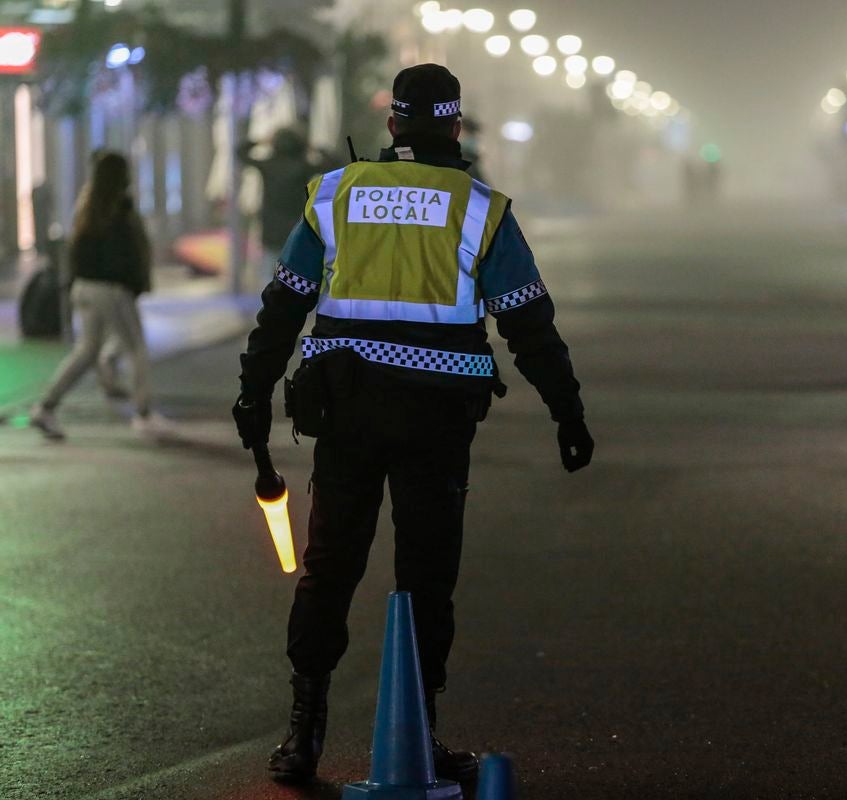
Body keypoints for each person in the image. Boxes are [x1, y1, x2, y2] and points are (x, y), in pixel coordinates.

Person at [233, 64, 594, 785]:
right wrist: (567, 410)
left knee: (330, 566)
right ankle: (419, 737)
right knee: (427, 574)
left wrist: (254, 393)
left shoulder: (335, 194)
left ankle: (303, 734)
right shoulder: (479, 207)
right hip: (437, 417)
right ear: (455, 128)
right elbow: (529, 323)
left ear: (392, 123)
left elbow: (284, 305)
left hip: (346, 411)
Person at [30, 152, 167, 440]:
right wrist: (135, 282)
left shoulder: (87, 206)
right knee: (137, 349)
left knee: (87, 351)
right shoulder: (119, 209)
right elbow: (127, 255)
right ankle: (143, 414)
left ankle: (45, 406)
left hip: (85, 287)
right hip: (112, 289)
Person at [238, 128, 336, 285]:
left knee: (269, 269)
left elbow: (240, 152)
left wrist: (261, 141)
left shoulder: (268, 165)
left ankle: (271, 302)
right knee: (298, 269)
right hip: (297, 223)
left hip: (271, 225)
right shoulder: (304, 166)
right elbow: (334, 163)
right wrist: (315, 147)